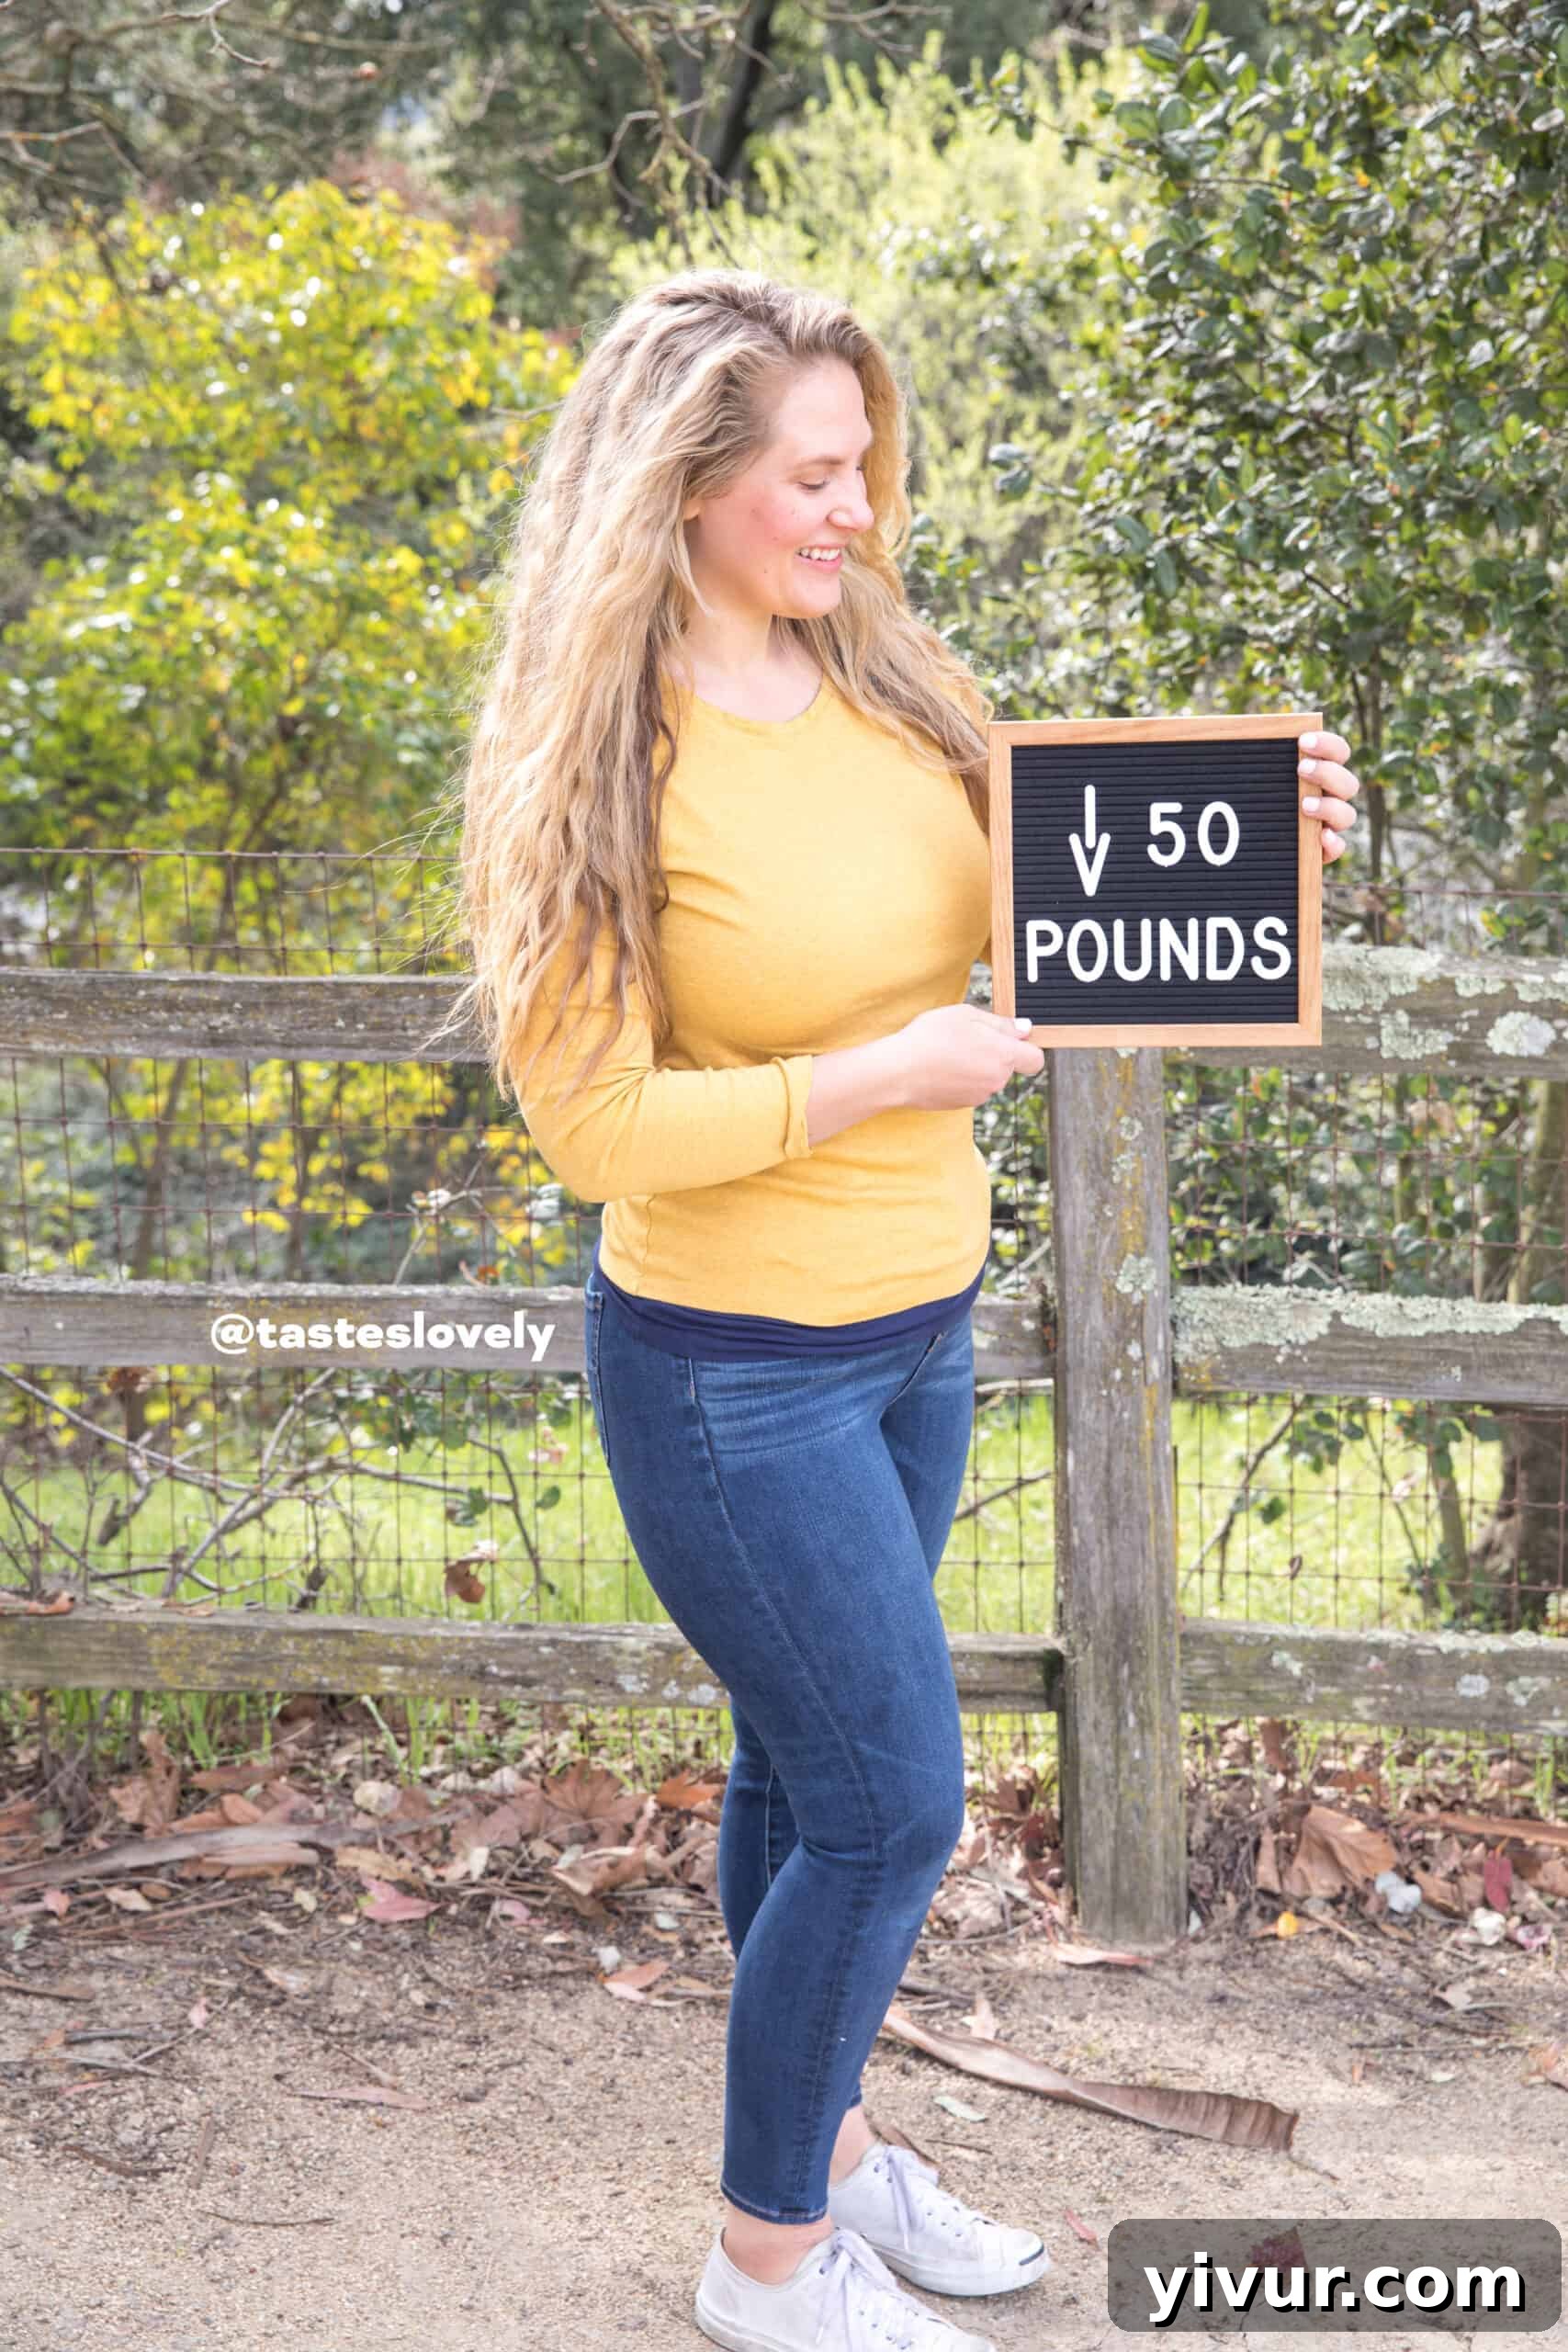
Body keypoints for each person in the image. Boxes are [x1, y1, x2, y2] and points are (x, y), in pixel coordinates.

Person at [451, 268, 1360, 2352]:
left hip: (912, 1330)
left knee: (799, 1771)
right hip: (727, 1377)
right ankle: (762, 2253)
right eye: (814, 471)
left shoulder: (880, 669)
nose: (857, 506)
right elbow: (593, 1125)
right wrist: (880, 1070)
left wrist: (1266, 837)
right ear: (683, 486)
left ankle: (834, 2149)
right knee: (892, 1802)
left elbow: (1065, 906)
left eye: (865, 463)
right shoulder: (600, 758)